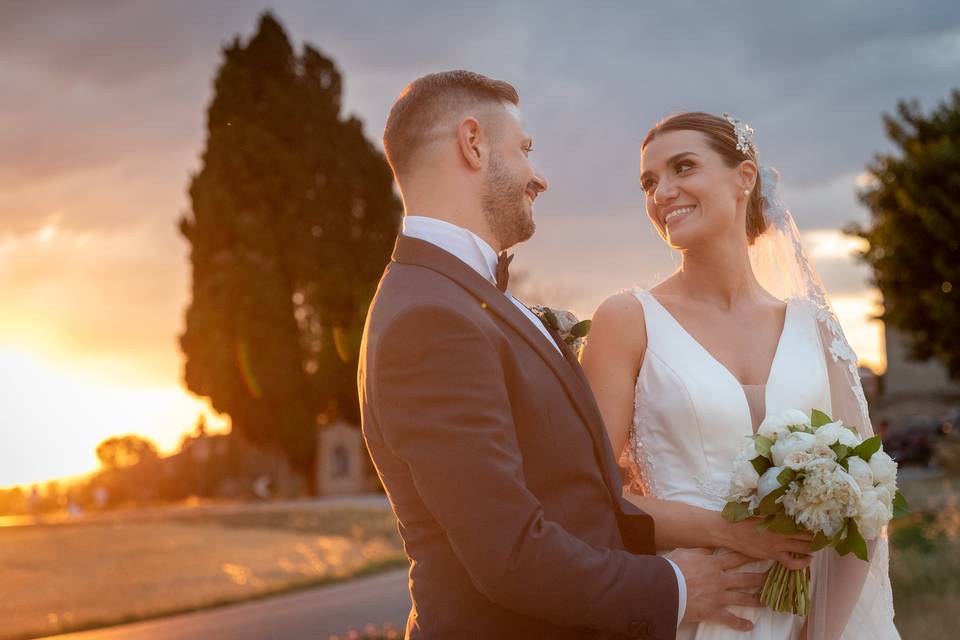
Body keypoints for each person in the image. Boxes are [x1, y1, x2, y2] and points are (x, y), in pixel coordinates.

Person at [358, 73, 764, 639]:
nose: (538, 177)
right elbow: (511, 553)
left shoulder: (463, 299)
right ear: (472, 144)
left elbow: (578, 500)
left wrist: (721, 531)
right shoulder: (429, 319)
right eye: (525, 150)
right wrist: (674, 588)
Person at [581, 112, 898, 639]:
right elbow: (590, 492)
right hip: (695, 613)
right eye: (649, 182)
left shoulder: (814, 327)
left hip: (815, 617)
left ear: (744, 177)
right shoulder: (627, 320)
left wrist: (821, 632)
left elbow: (866, 502)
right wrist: (728, 533)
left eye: (684, 167)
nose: (663, 192)